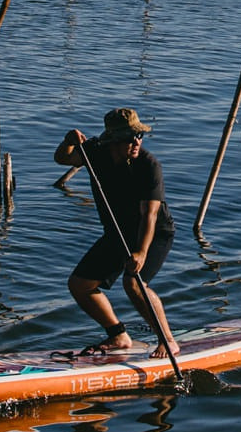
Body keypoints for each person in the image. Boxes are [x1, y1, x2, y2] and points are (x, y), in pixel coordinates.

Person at [54, 107, 177, 355]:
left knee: (134, 282)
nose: (136, 142)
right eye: (129, 138)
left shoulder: (149, 165)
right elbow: (63, 158)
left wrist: (141, 253)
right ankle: (118, 336)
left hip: (153, 232)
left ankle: (168, 341)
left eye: (139, 136)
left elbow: (149, 214)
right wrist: (68, 141)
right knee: (79, 285)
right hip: (117, 231)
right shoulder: (95, 152)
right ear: (113, 140)